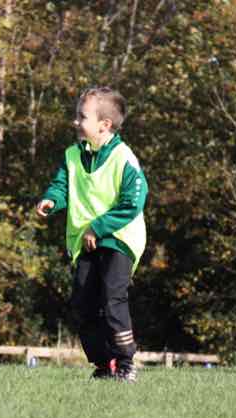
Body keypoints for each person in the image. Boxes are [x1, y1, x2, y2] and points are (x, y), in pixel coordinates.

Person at [36, 87, 148, 382]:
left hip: (118, 237)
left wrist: (98, 228)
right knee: (83, 304)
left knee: (112, 298)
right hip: (85, 241)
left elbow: (134, 201)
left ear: (104, 125)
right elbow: (62, 184)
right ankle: (103, 364)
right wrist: (52, 199)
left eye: (82, 116)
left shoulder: (124, 157)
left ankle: (125, 363)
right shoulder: (73, 155)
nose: (75, 121)